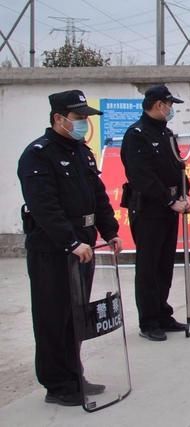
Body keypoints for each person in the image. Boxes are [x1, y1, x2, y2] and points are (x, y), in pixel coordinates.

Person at [17, 90, 123, 406]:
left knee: (76, 315)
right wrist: (71, 241)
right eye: (78, 118)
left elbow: (98, 195)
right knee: (53, 315)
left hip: (84, 245)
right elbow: (44, 206)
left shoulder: (81, 152)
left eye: (85, 117)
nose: (83, 122)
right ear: (58, 119)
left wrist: (111, 231)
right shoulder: (38, 154)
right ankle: (57, 384)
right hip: (54, 249)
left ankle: (74, 373)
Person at [120, 85, 190, 342]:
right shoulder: (136, 135)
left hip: (170, 208)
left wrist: (185, 194)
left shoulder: (167, 134)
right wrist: (169, 200)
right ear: (159, 105)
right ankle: (148, 320)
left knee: (164, 264)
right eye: (169, 105)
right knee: (149, 266)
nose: (171, 109)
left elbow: (178, 167)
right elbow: (141, 176)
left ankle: (163, 313)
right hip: (149, 209)